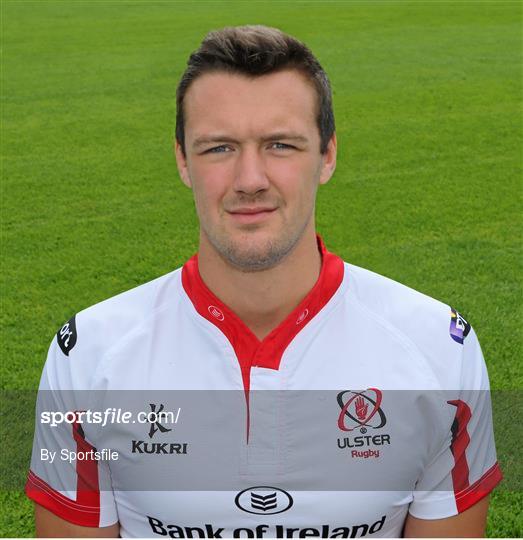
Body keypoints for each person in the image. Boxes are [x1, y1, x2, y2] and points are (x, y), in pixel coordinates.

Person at [26, 25, 502, 538]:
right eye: (219, 148)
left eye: (280, 145)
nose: (250, 179)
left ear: (327, 155)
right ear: (183, 160)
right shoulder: (89, 357)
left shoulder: (438, 350)